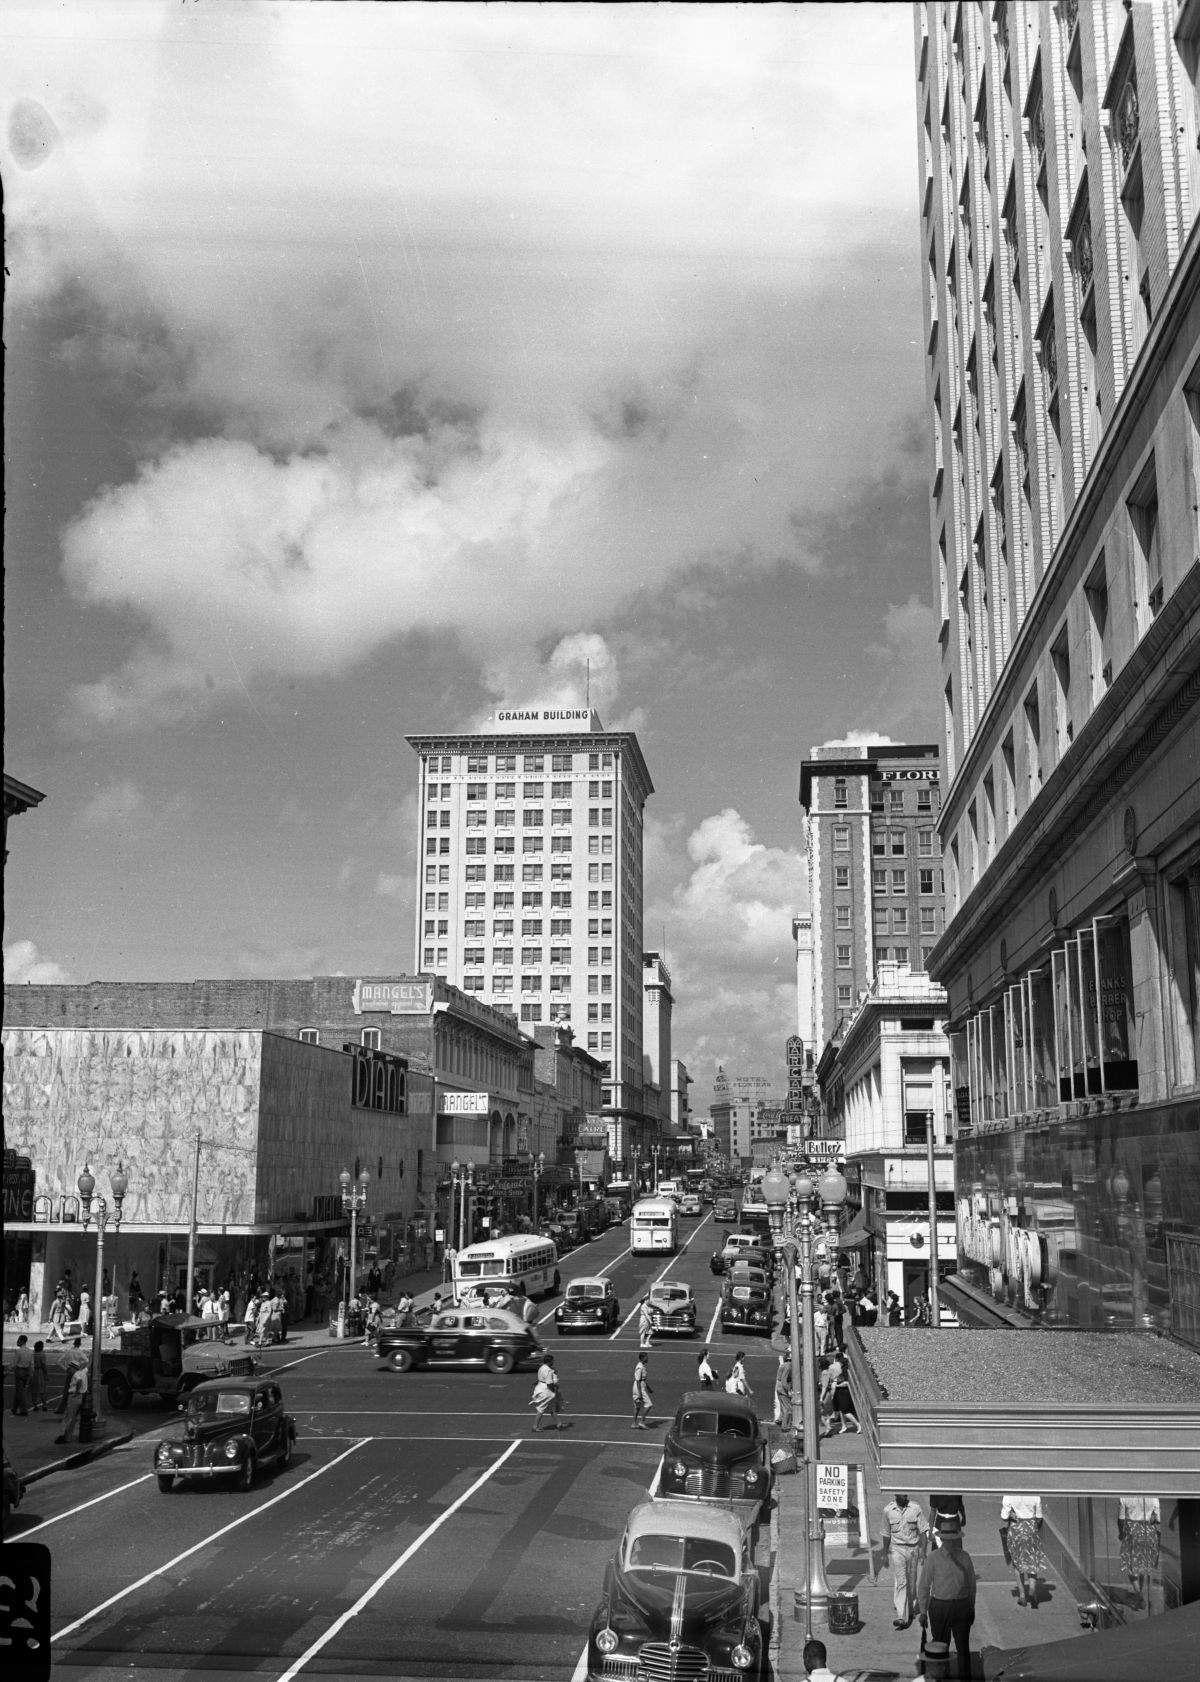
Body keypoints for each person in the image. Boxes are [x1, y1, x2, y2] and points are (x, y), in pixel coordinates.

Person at [916, 1520, 976, 1680]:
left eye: (952, 1540)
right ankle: (941, 1678)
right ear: (942, 1540)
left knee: (963, 1647)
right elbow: (924, 1585)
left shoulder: (965, 1557)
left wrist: (971, 1608)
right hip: (939, 1607)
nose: (949, 1543)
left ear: (956, 1539)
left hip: (962, 1606)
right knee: (940, 1648)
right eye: (946, 1540)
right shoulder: (933, 1558)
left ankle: (965, 1679)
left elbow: (971, 1586)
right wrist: (923, 1611)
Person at [878, 1491, 928, 1628]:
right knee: (902, 1581)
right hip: (897, 1549)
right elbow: (886, 1533)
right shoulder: (888, 1510)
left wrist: (923, 1551)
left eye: (906, 1495)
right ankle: (901, 1615)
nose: (905, 1497)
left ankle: (910, 1609)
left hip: (913, 1549)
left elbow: (923, 1530)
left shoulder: (915, 1508)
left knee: (911, 1581)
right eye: (902, 1495)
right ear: (895, 1495)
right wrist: (884, 1554)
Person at [1000, 1493, 1049, 1607]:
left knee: (1017, 1563)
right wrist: (1035, 1530)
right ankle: (1032, 1590)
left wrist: (1012, 1515)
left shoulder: (1008, 1495)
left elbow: (1004, 1516)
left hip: (1016, 1528)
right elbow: (1039, 1517)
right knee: (1032, 1560)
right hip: (1030, 1527)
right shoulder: (1035, 1495)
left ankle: (1022, 1596)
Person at [1119, 1496, 1161, 1610]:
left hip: (1132, 1531)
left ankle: (1139, 1594)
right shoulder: (1153, 1497)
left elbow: (1121, 1519)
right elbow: (1157, 1519)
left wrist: (1121, 1533)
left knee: (1131, 1566)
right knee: (1144, 1566)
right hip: (1149, 1531)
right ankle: (1142, 1594)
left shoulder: (1125, 1498)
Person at [820, 1350, 859, 1433]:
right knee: (839, 1409)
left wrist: (821, 1397)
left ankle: (857, 1424)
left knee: (833, 1411)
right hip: (840, 1389)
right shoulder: (844, 1368)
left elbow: (825, 1385)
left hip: (836, 1390)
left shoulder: (831, 1368)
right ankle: (842, 1425)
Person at [55, 1355, 91, 1444]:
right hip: (81, 1397)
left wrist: (76, 1392)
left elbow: (79, 1381)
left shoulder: (76, 1374)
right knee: (73, 1417)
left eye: (70, 1368)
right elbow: (87, 1367)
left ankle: (66, 1437)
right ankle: (68, 1436)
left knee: (69, 1417)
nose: (69, 1370)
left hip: (74, 1397)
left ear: (74, 1368)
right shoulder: (83, 1372)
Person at [530, 1352, 561, 1432]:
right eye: (552, 1361)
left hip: (540, 1386)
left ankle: (559, 1423)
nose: (553, 1362)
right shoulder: (548, 1370)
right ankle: (535, 1426)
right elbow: (549, 1383)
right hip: (546, 1391)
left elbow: (540, 1378)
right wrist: (553, 1391)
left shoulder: (541, 1367)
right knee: (541, 1409)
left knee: (551, 1408)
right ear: (549, 1361)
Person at [11, 1335, 32, 1415]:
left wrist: (7, 1371)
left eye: (18, 1340)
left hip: (19, 1371)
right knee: (19, 1390)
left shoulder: (18, 1351)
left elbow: (14, 1363)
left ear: (22, 1341)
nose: (17, 1341)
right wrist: (31, 1373)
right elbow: (31, 1364)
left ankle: (24, 1410)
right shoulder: (30, 1351)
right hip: (26, 1371)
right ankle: (14, 1408)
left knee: (20, 1392)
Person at [631, 1351, 653, 1428]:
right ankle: (642, 1422)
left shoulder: (642, 1366)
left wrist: (649, 1388)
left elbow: (643, 1379)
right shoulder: (639, 1367)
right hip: (639, 1387)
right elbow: (638, 1381)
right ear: (643, 1358)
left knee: (637, 1406)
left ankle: (634, 1423)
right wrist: (640, 1393)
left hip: (640, 1386)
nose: (647, 1358)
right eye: (646, 1357)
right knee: (649, 1404)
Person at [773, 1352, 794, 1431]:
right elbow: (784, 1380)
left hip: (779, 1388)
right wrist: (789, 1390)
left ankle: (782, 1422)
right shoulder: (788, 1366)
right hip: (782, 1389)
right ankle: (785, 1427)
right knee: (788, 1409)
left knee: (784, 1408)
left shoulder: (785, 1365)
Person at [31, 1340, 49, 1411]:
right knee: (42, 1390)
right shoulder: (42, 1354)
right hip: (40, 1372)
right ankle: (44, 1405)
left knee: (34, 1390)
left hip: (34, 1371)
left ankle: (35, 1405)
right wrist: (46, 1374)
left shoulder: (33, 1354)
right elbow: (43, 1365)